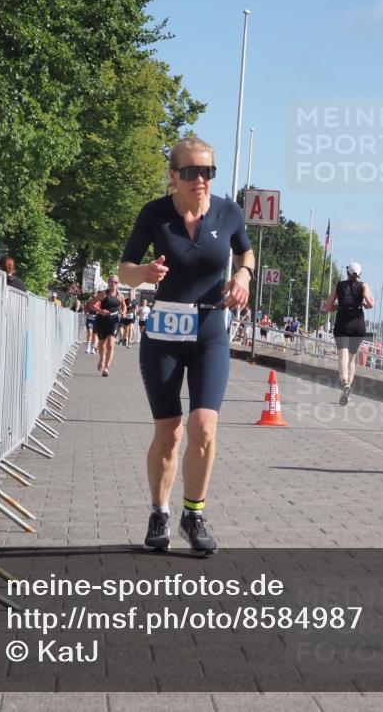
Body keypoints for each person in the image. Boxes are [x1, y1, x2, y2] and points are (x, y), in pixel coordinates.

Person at [118, 136, 255, 555]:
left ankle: (193, 514)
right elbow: (123, 271)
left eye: (208, 171)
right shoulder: (155, 215)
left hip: (210, 332)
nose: (202, 180)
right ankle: (159, 511)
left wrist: (243, 278)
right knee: (170, 433)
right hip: (163, 334)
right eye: (192, 172)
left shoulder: (229, 212)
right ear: (174, 176)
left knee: (204, 426)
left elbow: (246, 255)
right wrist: (143, 272)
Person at [325, 261, 375, 405]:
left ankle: (345, 383)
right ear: (359, 274)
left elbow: (328, 307)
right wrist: (364, 305)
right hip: (358, 324)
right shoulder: (363, 285)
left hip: (342, 323)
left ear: (347, 273)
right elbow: (371, 304)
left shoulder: (339, 285)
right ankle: (347, 391)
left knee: (342, 356)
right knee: (352, 359)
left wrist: (339, 307)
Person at [93, 277, 126, 377]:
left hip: (114, 321)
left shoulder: (120, 296)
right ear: (108, 283)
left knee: (111, 344)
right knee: (101, 344)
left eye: (115, 282)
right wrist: (100, 311)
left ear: (118, 283)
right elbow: (91, 304)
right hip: (102, 321)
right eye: (112, 281)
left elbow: (124, 306)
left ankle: (106, 367)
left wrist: (124, 312)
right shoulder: (103, 294)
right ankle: (102, 358)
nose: (113, 283)